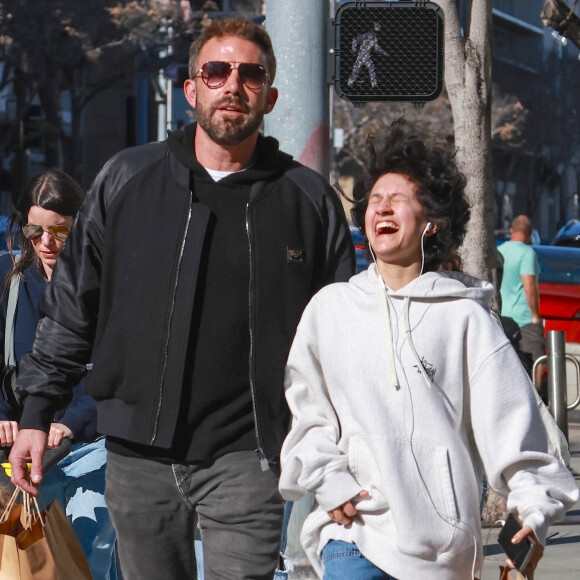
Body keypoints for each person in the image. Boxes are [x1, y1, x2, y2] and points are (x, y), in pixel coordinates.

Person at [9, 18, 354, 580]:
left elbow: (339, 342)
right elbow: (71, 308)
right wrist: (35, 413)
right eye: (216, 71)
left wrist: (339, 452)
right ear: (192, 89)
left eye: (250, 74)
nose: (232, 85)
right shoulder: (126, 180)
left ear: (270, 95)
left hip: (251, 454)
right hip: (138, 454)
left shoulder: (308, 200)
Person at [278, 122, 578, 580]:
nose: (381, 207)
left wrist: (533, 506)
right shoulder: (330, 310)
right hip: (353, 537)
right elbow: (307, 415)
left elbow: (514, 428)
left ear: (431, 220)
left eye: (397, 199)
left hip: (442, 555)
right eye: (374, 200)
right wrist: (329, 481)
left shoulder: (466, 319)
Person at [0, 169, 118, 579]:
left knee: (88, 556)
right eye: (35, 231)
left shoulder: (107, 286)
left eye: (60, 232)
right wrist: (4, 415)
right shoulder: (14, 285)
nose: (45, 243)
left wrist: (69, 424)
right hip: (28, 459)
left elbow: (117, 370)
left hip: (94, 448)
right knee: (27, 559)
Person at [498, 215, 546, 387]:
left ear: (512, 230)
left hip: (504, 316)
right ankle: (537, 401)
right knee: (536, 358)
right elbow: (529, 286)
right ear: (530, 233)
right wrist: (535, 315)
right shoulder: (527, 253)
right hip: (524, 316)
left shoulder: (501, 250)